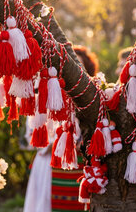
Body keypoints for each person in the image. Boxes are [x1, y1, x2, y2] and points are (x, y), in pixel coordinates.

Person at [23, 45, 97, 212]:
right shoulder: (46, 95)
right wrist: (58, 141)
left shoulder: (94, 100)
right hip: (50, 164)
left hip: (82, 167)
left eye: (80, 68)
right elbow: (32, 136)